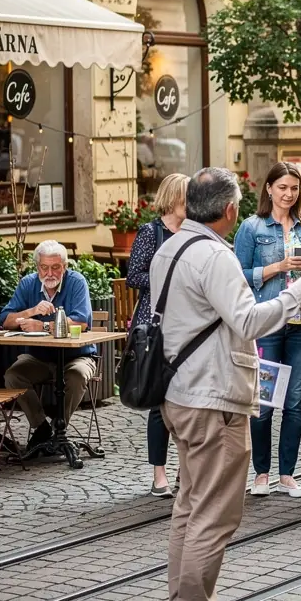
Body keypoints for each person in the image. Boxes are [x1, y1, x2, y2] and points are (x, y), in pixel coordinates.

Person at [152, 167, 301, 601]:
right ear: (229, 210)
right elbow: (249, 321)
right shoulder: (215, 256)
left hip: (178, 392)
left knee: (189, 507)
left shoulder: (169, 248)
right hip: (213, 397)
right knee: (213, 514)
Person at [235, 162, 301, 498]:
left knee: (295, 403)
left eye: (294, 188)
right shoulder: (252, 227)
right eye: (282, 187)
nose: (288, 194)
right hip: (268, 324)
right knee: (265, 402)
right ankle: (261, 474)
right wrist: (277, 267)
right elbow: (238, 274)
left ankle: (287, 475)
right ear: (269, 188)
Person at [126, 172, 189, 498]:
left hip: (188, 327)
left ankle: (184, 470)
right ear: (173, 198)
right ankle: (159, 474)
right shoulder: (151, 233)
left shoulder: (193, 232)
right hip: (155, 328)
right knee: (158, 403)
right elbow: (133, 276)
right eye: (187, 197)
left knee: (187, 402)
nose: (191, 204)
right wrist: (167, 277)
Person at [1, 240, 94, 452]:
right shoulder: (28, 283)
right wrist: (32, 311)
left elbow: (81, 322)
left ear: (65, 266)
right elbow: (5, 320)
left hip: (76, 355)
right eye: (44, 267)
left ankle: (57, 430)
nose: (50, 273)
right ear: (37, 267)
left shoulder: (76, 282)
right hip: (39, 356)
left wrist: (42, 325)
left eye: (56, 267)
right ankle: (42, 428)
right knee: (13, 376)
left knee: (78, 375)